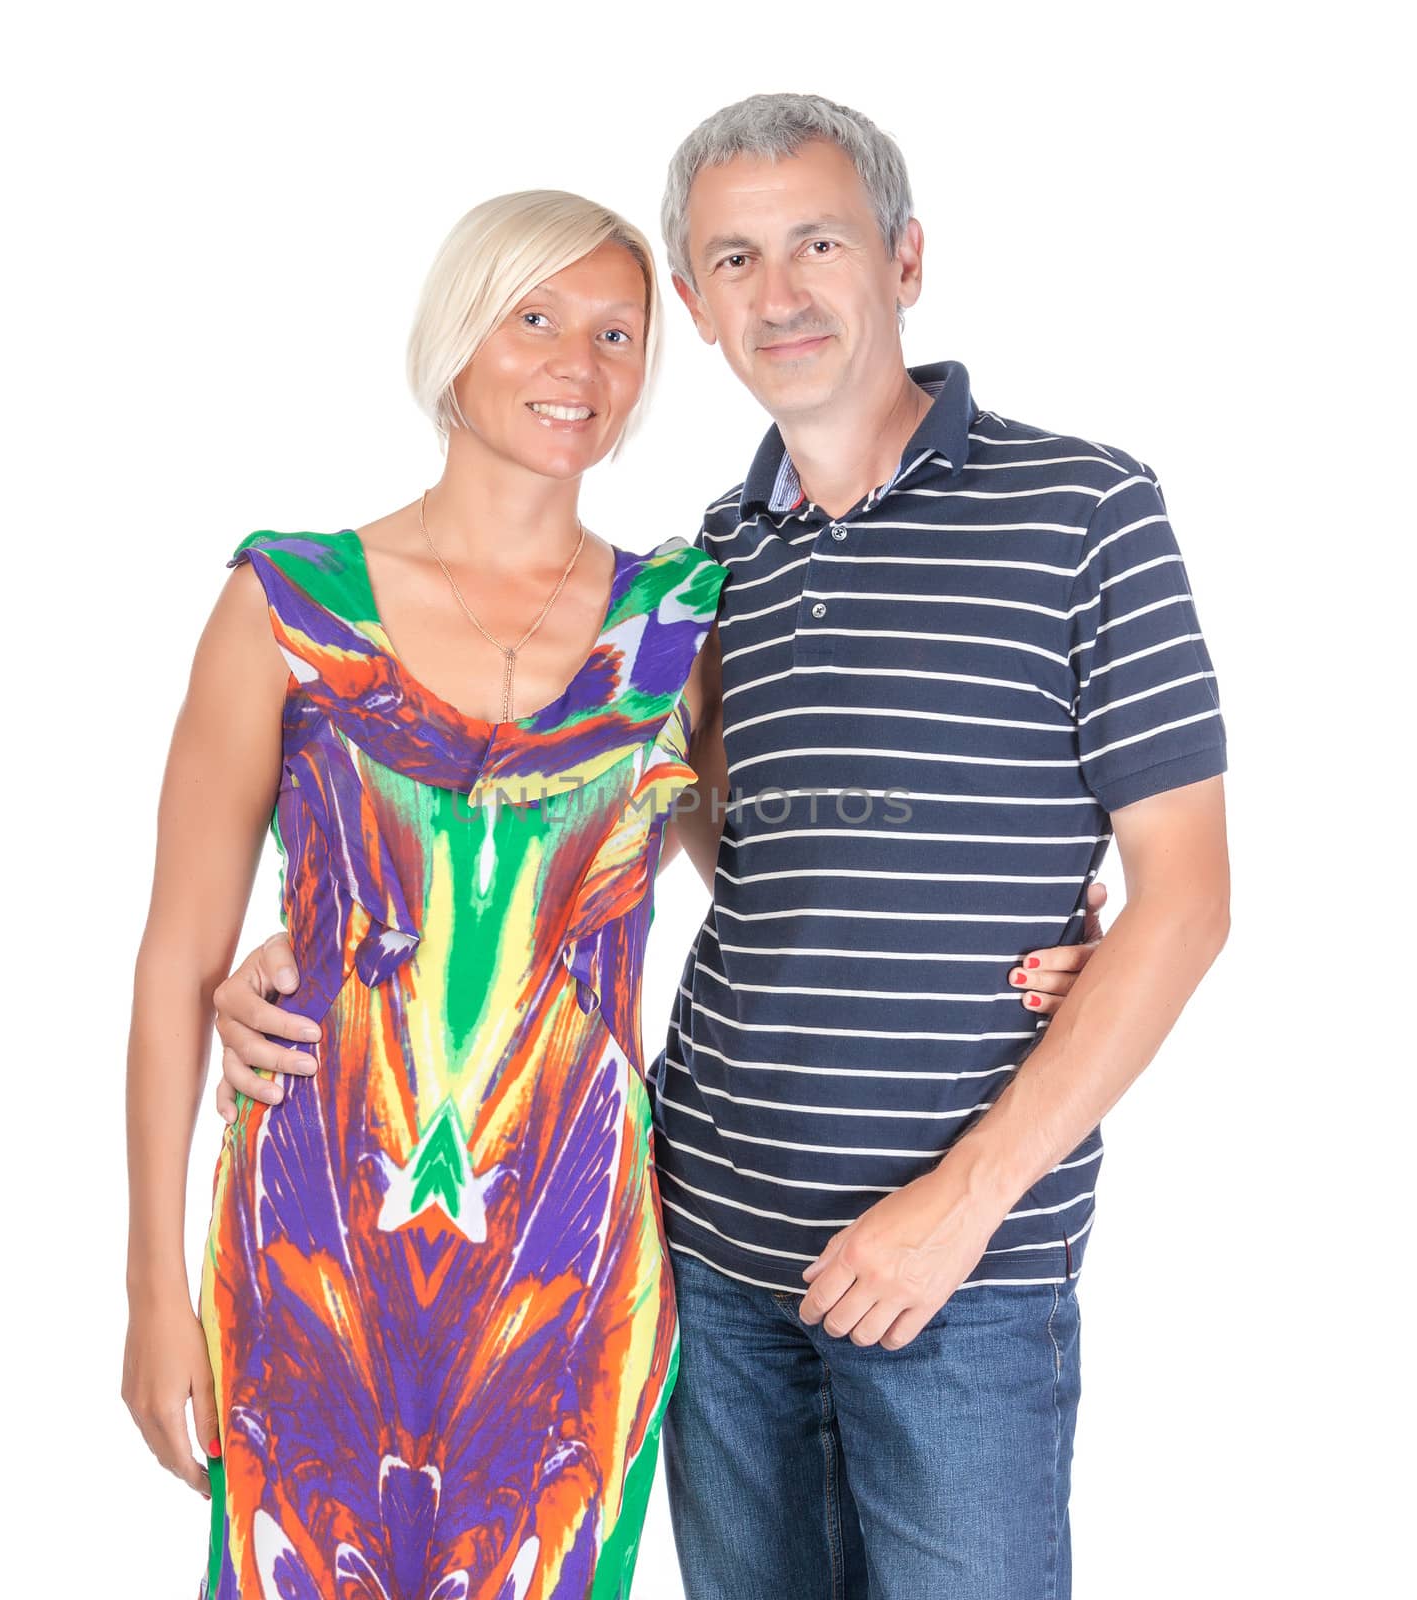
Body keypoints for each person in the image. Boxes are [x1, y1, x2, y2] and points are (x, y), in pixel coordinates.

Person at [204, 95, 1210, 1600]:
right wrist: (327, 947)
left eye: (819, 241)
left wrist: (970, 1194)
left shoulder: (1081, 505)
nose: (780, 290)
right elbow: (667, 840)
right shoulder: (701, 574)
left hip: (958, 1264)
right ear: (698, 303)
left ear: (905, 258)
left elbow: (1189, 900)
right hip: (704, 1243)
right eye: (734, 258)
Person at [122, 191, 737, 1600]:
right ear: (458, 336)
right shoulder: (291, 604)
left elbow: (777, 890)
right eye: (535, 319)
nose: (576, 365)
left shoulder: (676, 623)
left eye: (616, 333)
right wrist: (154, 1288)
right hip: (309, 1237)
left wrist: (1037, 936)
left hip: (567, 1257)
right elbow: (174, 964)